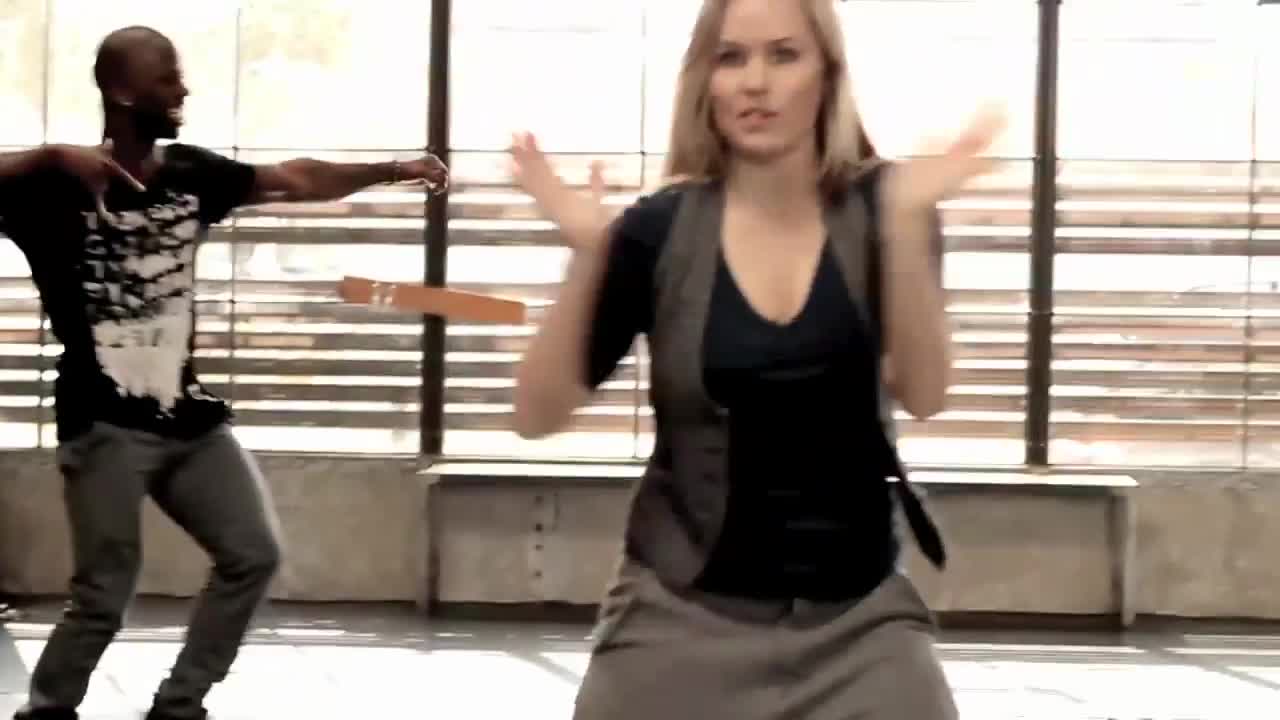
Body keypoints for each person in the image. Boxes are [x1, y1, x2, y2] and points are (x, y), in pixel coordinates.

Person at [508, 0, 1004, 718]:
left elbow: (924, 392)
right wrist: (591, 255)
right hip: (679, 618)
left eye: (784, 55)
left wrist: (902, 221)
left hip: (857, 624)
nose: (755, 82)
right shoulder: (658, 233)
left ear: (827, 75)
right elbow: (535, 414)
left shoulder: (888, 210)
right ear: (705, 82)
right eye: (731, 58)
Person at [0, 26, 448, 720]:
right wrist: (49, 155)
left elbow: (295, 179)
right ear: (122, 91)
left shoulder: (190, 174)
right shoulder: (50, 189)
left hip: (188, 420)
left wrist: (393, 168)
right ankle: (48, 711)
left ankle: (179, 705)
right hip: (102, 424)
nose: (183, 89)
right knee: (103, 596)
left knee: (253, 553)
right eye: (166, 78)